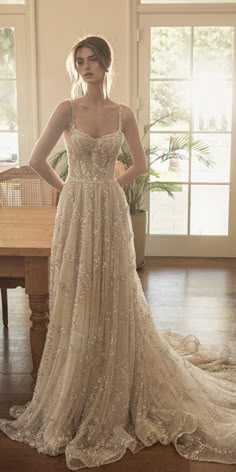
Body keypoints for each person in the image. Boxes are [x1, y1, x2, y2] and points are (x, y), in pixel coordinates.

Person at [0, 35, 236, 471]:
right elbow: (37, 159)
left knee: (114, 284)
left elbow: (141, 164)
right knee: (78, 285)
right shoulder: (66, 109)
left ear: (107, 64)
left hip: (109, 211)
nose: (86, 68)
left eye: (93, 61)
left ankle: (115, 364)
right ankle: (78, 375)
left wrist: (110, 188)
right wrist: (69, 188)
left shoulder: (122, 113)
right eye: (80, 62)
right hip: (77, 209)